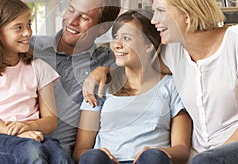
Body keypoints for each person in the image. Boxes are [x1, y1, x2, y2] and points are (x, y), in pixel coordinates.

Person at [83, 0, 238, 164]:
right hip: (201, 155)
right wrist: (104, 70)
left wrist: (216, 155)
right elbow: (138, 62)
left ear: (187, 12)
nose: (154, 20)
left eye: (161, 11)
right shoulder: (174, 52)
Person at [0, 0, 73, 163]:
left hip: (31, 134)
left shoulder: (39, 67)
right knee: (31, 151)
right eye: (18, 27)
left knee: (60, 156)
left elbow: (50, 120)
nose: (27, 32)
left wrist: (29, 127)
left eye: (29, 25)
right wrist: (17, 132)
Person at [73, 9, 192, 164]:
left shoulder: (171, 86)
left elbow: (182, 150)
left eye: (127, 38)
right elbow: (80, 151)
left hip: (150, 162)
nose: (116, 45)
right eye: (116, 37)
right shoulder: (101, 85)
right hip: (107, 162)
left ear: (148, 46)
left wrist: (157, 152)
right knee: (93, 157)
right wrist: (97, 153)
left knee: (153, 158)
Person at [30, 0, 121, 156]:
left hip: (59, 156)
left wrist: (106, 70)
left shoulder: (106, 60)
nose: (72, 21)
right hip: (16, 146)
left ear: (102, 28)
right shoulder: (31, 47)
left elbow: (146, 65)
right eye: (71, 10)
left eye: (84, 18)